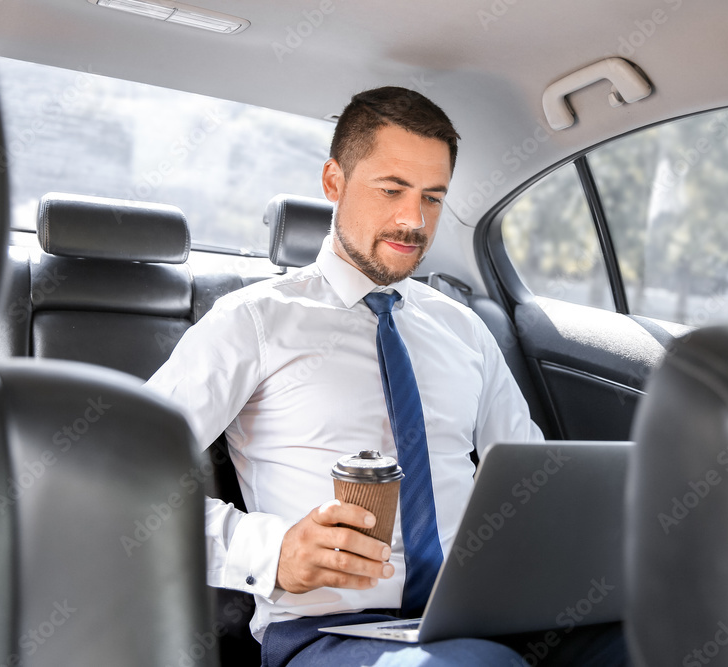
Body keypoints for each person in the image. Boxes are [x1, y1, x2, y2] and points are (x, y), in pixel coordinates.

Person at [145, 86, 626, 666]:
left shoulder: (465, 331)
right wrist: (272, 552)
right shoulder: (254, 322)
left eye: (432, 197)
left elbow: (538, 484)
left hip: (482, 614)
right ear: (333, 182)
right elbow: (118, 478)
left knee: (667, 636)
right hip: (332, 631)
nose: (413, 219)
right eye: (392, 190)